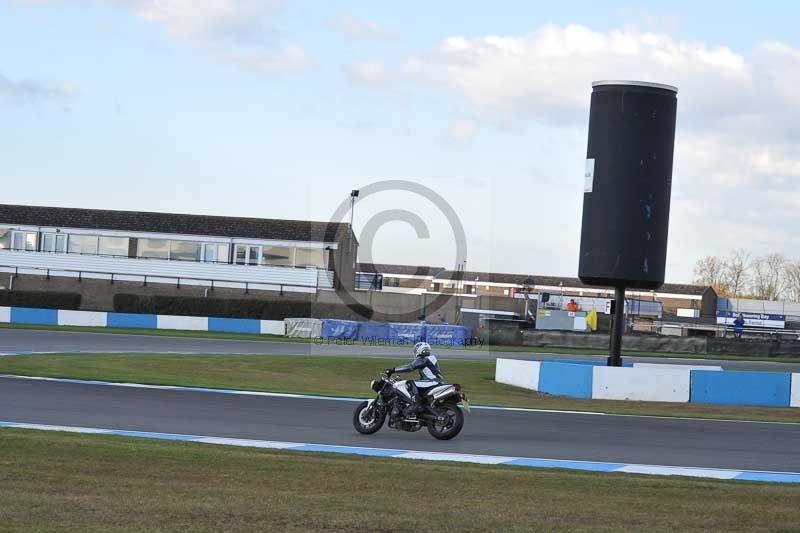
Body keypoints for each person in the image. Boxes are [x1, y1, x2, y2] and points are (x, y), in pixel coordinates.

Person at [386, 341, 444, 415]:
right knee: (418, 385)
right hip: (436, 382)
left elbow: (409, 367)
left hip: (433, 381)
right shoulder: (431, 358)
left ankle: (416, 404)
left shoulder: (424, 359)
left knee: (409, 383)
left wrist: (393, 370)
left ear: (419, 350)